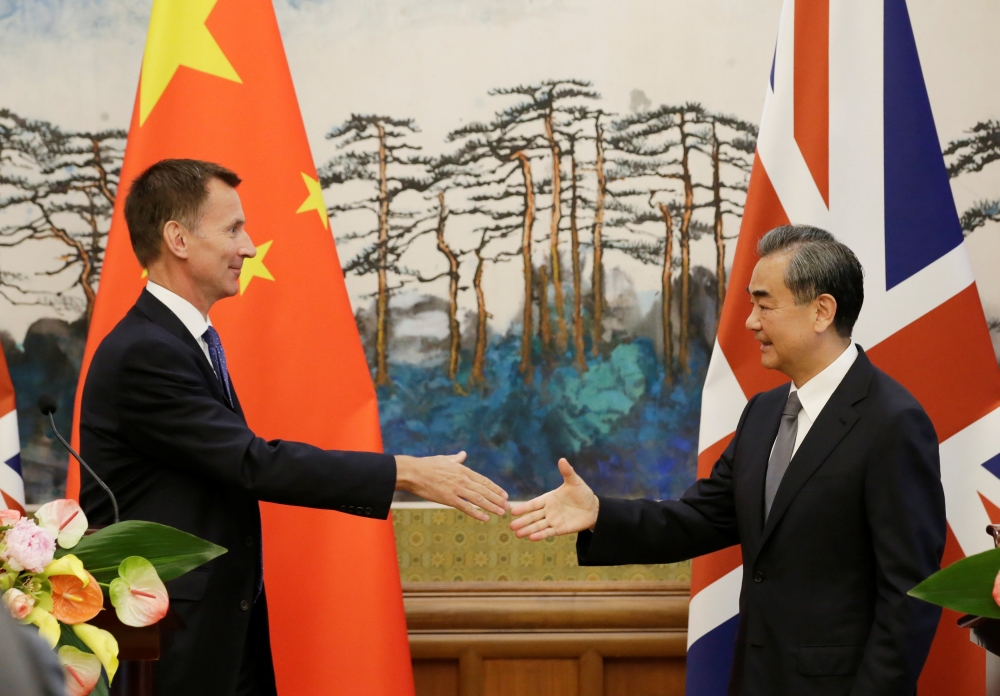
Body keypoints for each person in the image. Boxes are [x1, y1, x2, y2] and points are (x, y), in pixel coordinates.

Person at [79, 159, 509, 696]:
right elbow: (251, 462)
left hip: (219, 631)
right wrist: (404, 472)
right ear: (178, 239)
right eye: (233, 229)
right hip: (171, 643)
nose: (249, 247)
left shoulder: (179, 340)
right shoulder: (146, 351)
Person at [510, 225, 946, 696]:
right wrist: (600, 513)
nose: (750, 322)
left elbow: (910, 595)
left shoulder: (892, 422)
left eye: (764, 305)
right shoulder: (763, 413)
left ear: (821, 311)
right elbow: (701, 518)